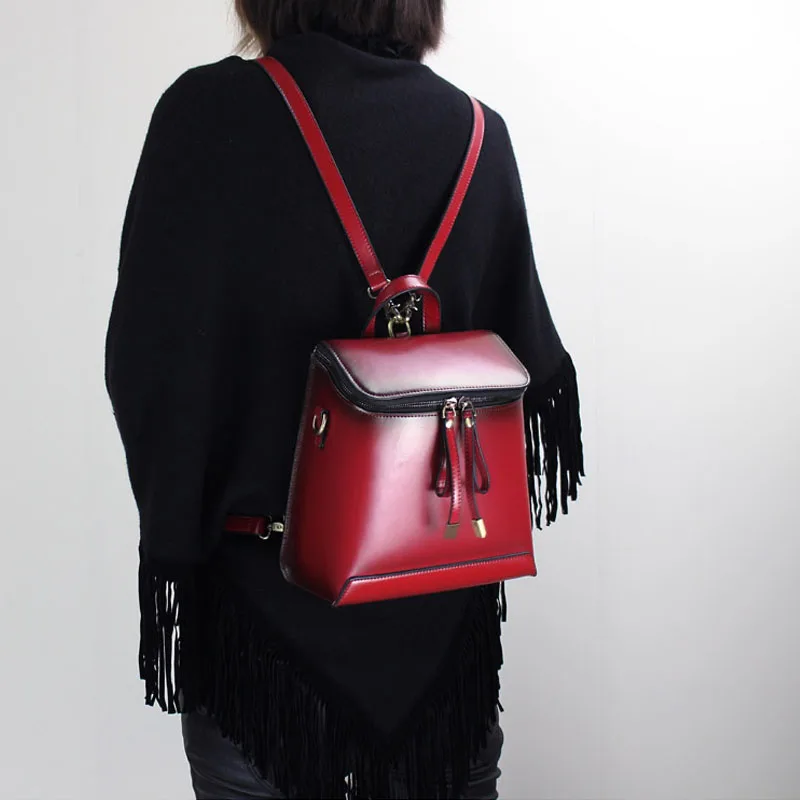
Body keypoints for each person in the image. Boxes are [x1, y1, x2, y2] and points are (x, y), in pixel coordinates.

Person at [104, 1, 585, 797]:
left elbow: (153, 369)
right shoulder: (478, 134)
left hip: (263, 639)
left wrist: (178, 556)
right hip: (442, 633)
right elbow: (533, 375)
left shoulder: (210, 114)